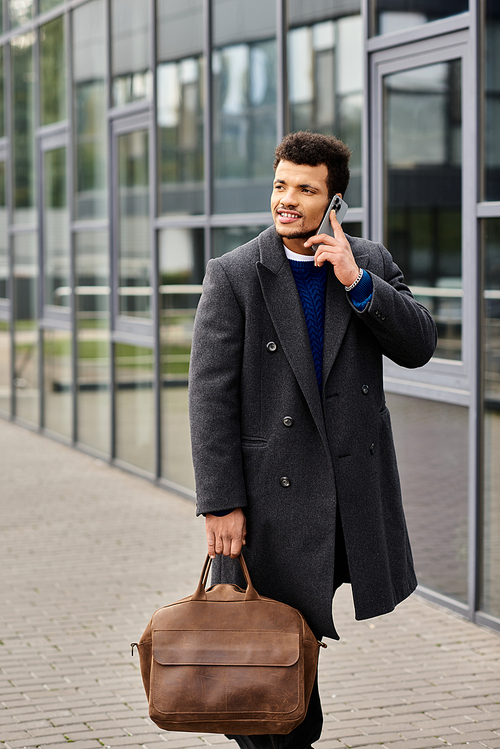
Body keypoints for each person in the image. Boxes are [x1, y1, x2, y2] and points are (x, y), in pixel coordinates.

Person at [188, 131, 437, 749]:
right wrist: (220, 503)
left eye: (305, 189)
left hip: (347, 498)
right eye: (280, 185)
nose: (287, 200)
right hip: (269, 503)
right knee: (264, 663)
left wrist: (356, 282)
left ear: (334, 202)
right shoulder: (236, 274)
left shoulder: (368, 263)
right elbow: (209, 397)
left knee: (293, 656)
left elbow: (419, 345)